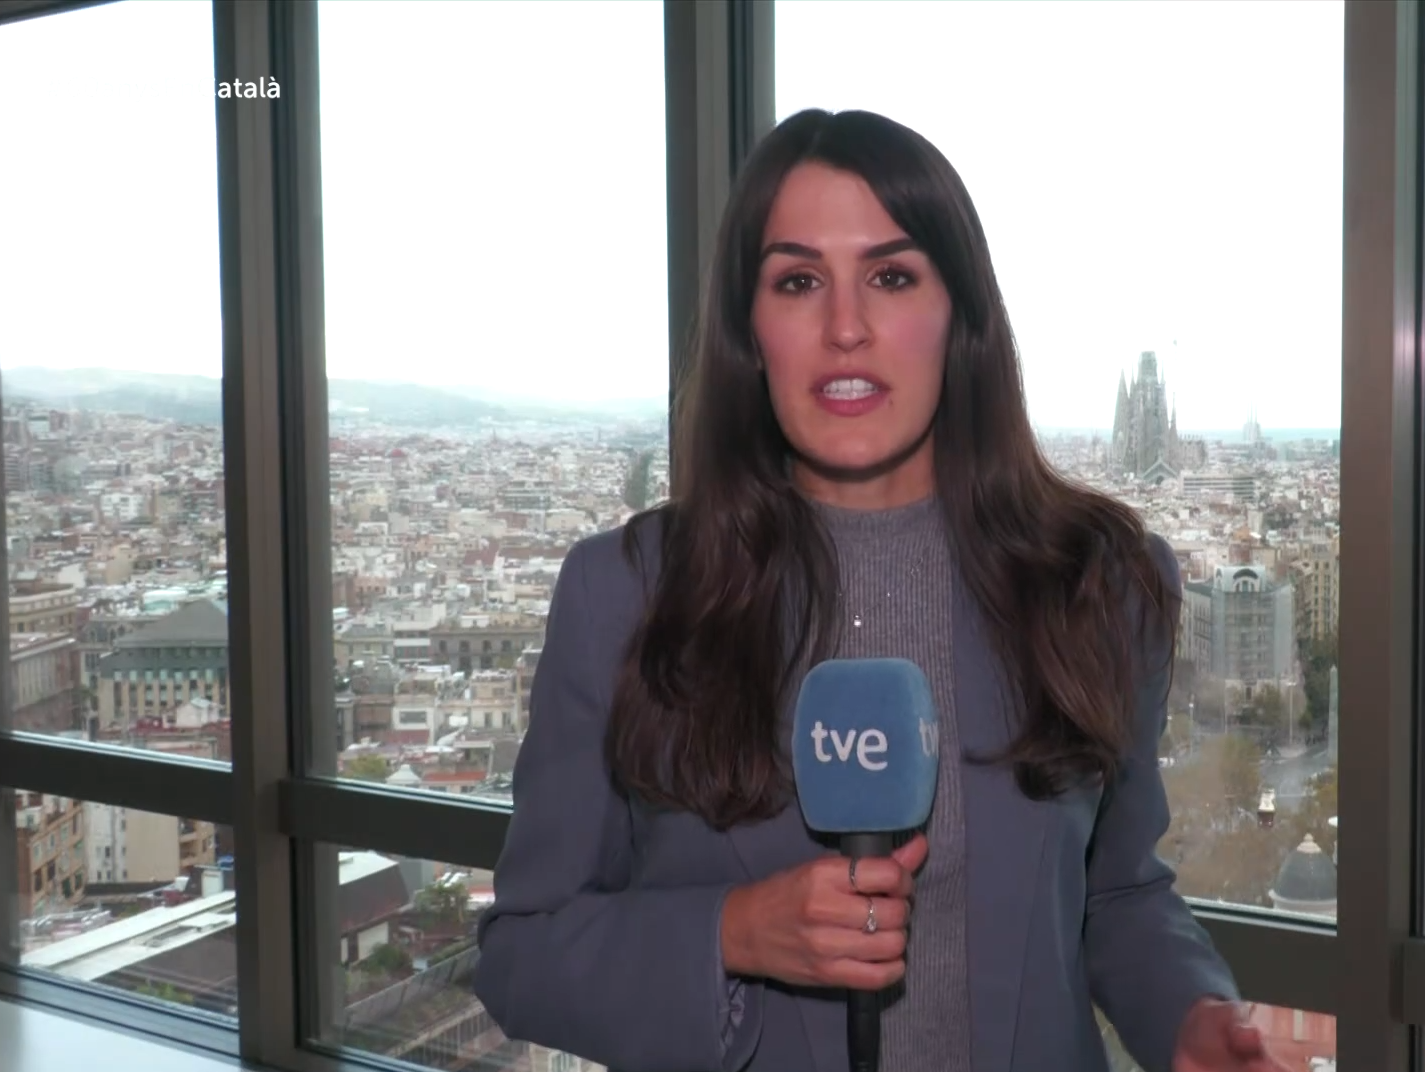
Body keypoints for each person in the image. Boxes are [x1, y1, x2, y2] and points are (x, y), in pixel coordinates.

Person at [475, 108, 1288, 1072]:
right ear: (749, 331)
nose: (846, 327)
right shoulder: (627, 596)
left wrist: (1190, 1016)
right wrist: (734, 934)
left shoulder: (1096, 584)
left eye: (891, 277)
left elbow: (1115, 893)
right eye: (798, 281)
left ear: (960, 316)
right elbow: (523, 954)